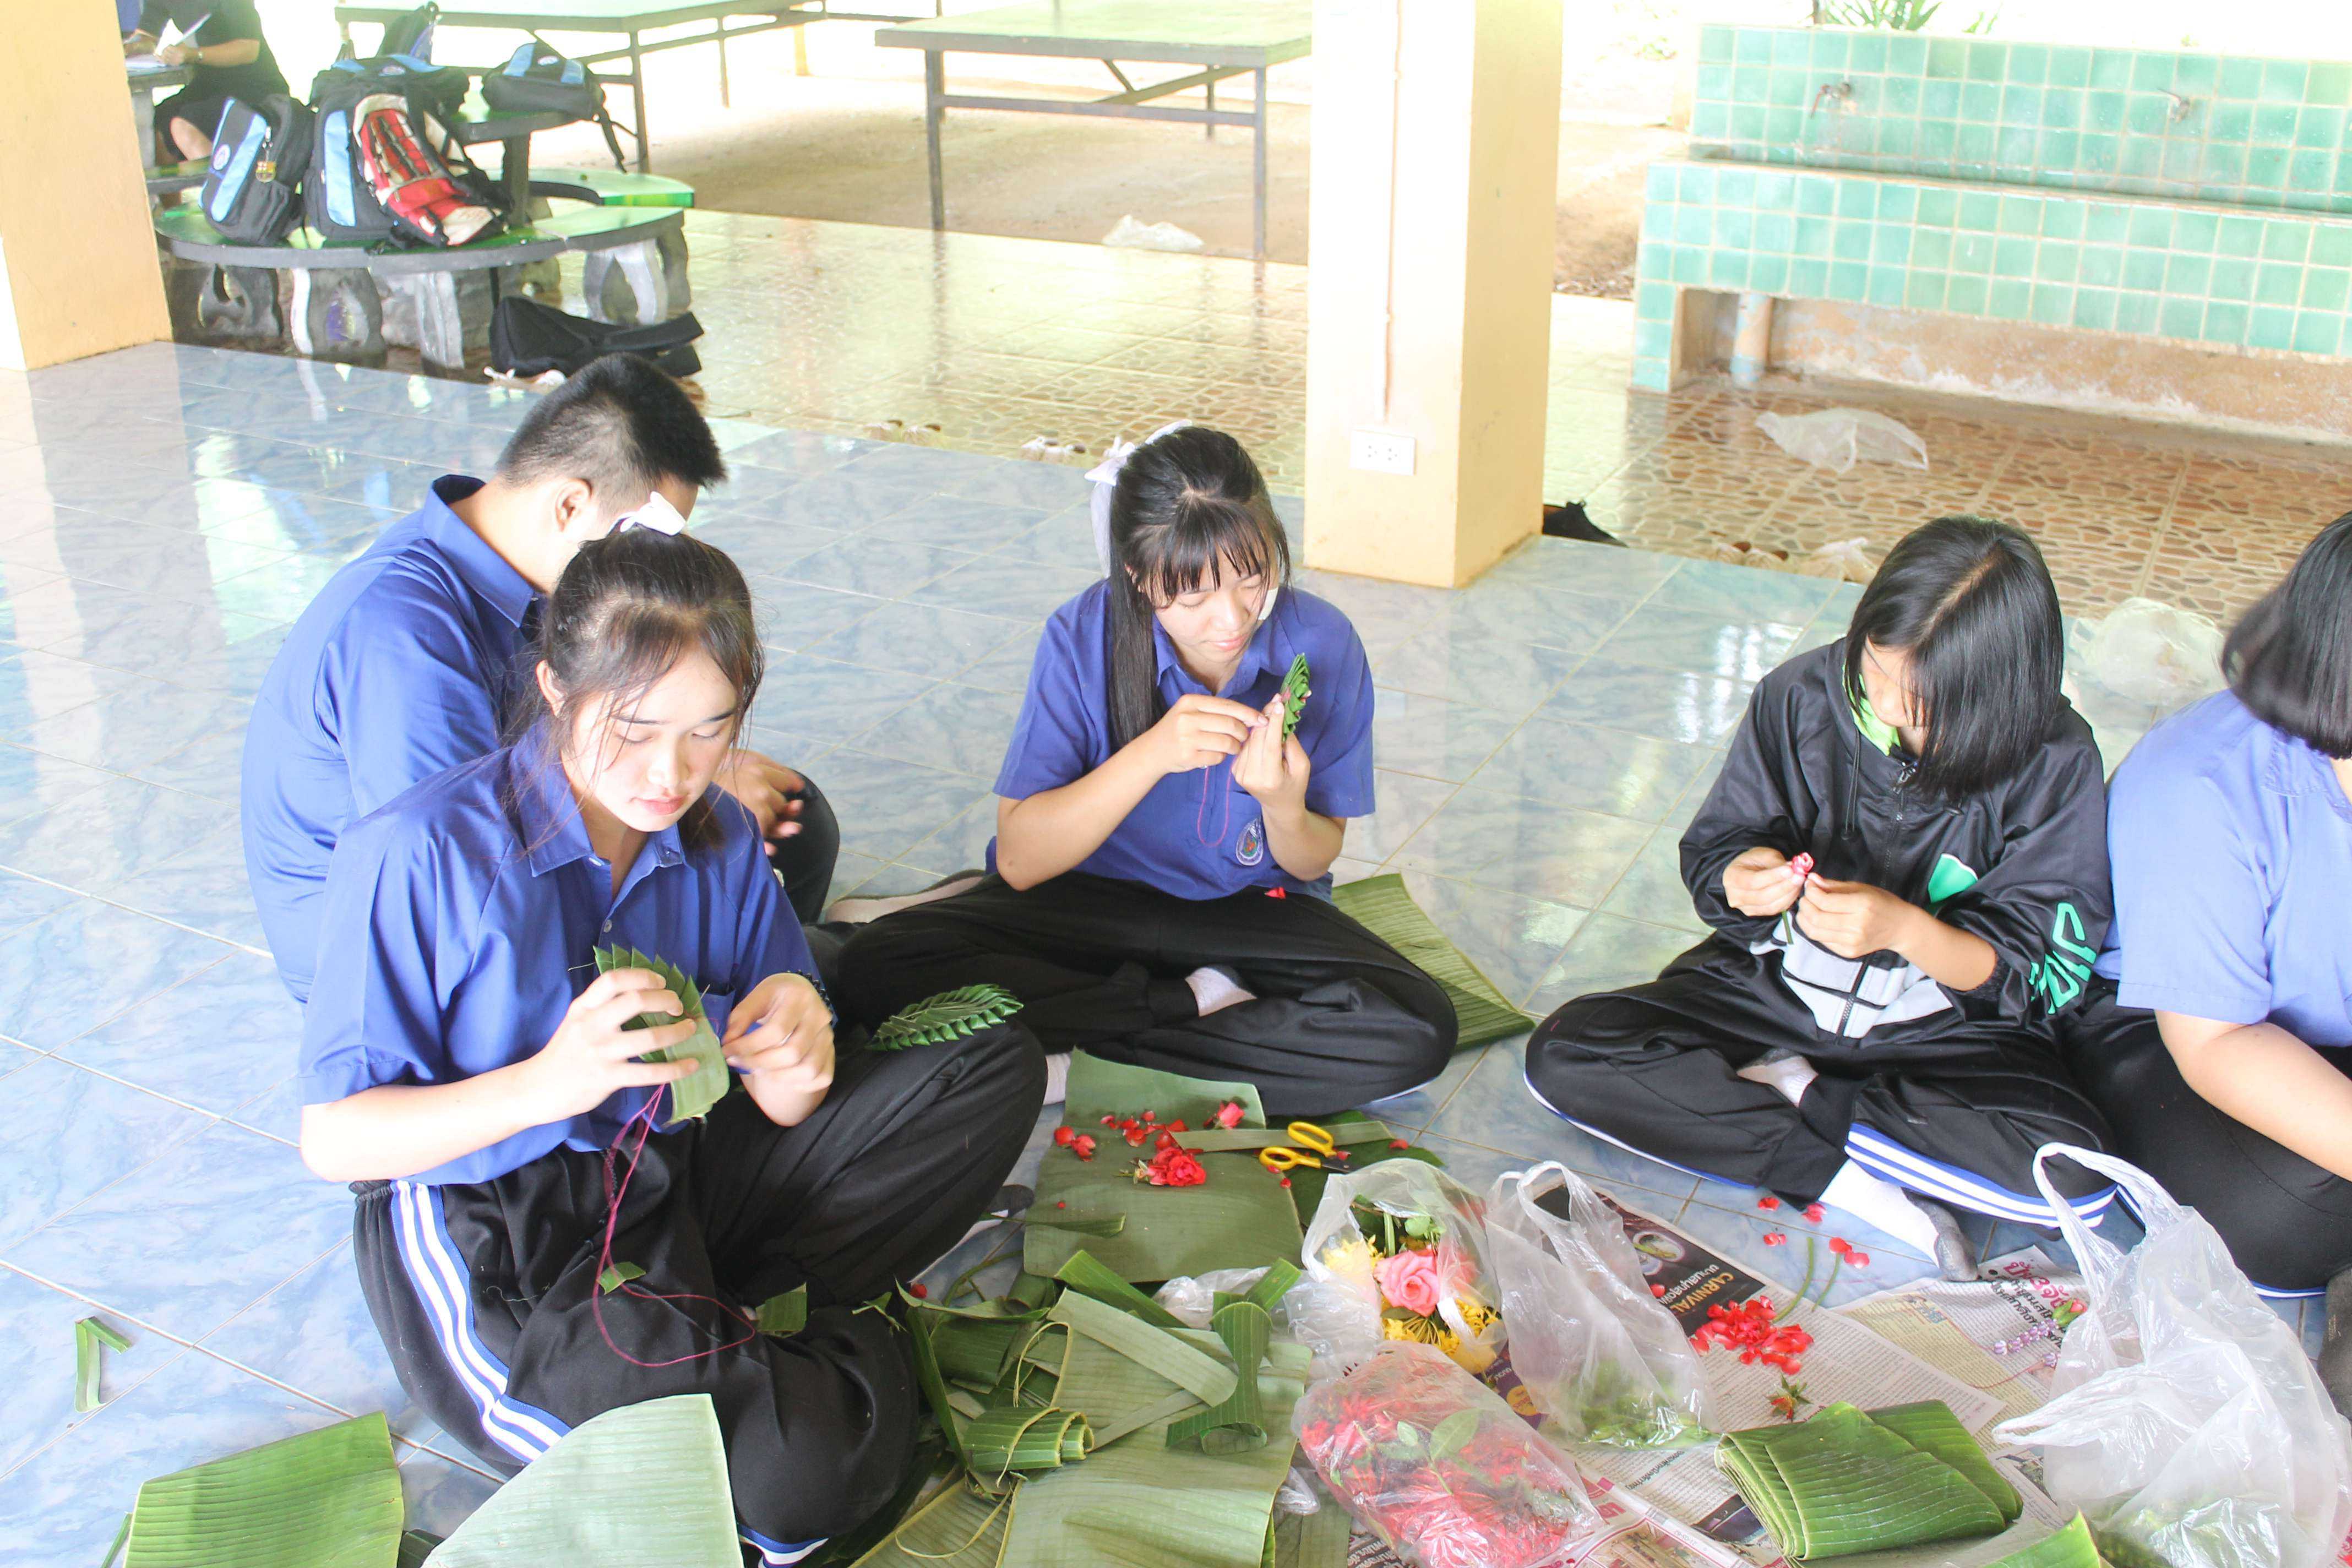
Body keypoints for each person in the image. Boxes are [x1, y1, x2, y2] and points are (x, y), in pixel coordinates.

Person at [298, 525, 1047, 1561]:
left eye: (709, 730)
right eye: (636, 728)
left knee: (992, 1064)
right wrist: (549, 1082)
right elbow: (336, 1141)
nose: (671, 772)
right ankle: (791, 1357)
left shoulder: (718, 837)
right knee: (794, 1484)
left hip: (666, 1174)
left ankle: (735, 1342)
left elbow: (784, 1098)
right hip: (501, 1235)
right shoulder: (422, 849)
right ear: (556, 687)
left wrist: (798, 1036)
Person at [1525, 516, 2116, 1277]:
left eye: (1924, 699)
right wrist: (1744, 878)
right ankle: (1850, 1175)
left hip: (1943, 1032)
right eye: (1877, 674)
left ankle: (1795, 1094)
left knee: (2072, 1181)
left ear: (1998, 690)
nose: (1891, 709)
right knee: (1567, 1052)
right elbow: (1721, 845)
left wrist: (1907, 931)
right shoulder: (1802, 696)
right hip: (1775, 993)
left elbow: (2044, 976)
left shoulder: (2055, 759)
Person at [831, 424, 1453, 1117]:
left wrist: (1282, 803)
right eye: (1193, 598)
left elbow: (1313, 860)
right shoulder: (1082, 635)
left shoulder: (1323, 640)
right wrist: (1152, 753)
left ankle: (1084, 1055)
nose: (1231, 619)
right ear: (1137, 576)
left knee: (1417, 1025)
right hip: (1089, 901)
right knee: (874, 966)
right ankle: (1190, 1004)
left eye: (1252, 578)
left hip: (1247, 918)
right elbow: (1022, 861)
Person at [242, 355, 836, 1005]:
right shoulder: (399, 630)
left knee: (792, 829)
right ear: (570, 503)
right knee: (782, 942)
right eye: (650, 532)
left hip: (519, 851)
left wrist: (681, 751)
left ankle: (771, 977)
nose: (654, 559)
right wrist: (688, 790)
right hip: (424, 950)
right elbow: (467, 859)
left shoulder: (524, 567)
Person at [2065, 512, 2352, 1329]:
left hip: (2325, 1025)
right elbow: (2219, 1044)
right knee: (2288, 1210)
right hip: (2185, 1031)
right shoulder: (2204, 782)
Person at [123, 0, 290, 162]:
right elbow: (147, 36)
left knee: (184, 126)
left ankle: (228, 181)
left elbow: (249, 49)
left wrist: (194, 54)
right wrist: (132, 46)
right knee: (155, 126)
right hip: (208, 85)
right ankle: (176, 182)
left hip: (254, 86)